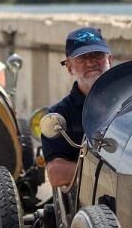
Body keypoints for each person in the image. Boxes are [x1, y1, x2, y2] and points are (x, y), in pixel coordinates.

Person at [42, 27, 114, 188]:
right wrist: (108, 177)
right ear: (69, 67)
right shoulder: (58, 115)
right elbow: (56, 174)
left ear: (110, 59)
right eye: (82, 58)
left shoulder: (129, 104)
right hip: (84, 205)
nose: (91, 62)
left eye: (97, 55)